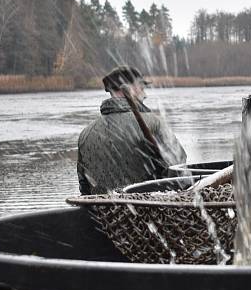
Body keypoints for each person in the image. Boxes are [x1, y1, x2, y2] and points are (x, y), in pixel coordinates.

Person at [77, 65, 186, 194]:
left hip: (104, 212)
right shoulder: (154, 123)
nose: (145, 94)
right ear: (130, 89)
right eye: (142, 87)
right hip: (148, 210)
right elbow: (179, 165)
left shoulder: (85, 134)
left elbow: (84, 187)